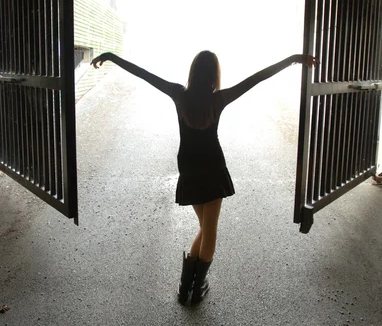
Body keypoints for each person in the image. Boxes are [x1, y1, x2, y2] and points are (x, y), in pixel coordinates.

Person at [91, 50, 317, 305]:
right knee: (209, 231)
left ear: (193, 72)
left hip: (188, 166)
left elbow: (144, 74)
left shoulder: (179, 94)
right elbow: (257, 78)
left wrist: (112, 57)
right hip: (212, 165)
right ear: (213, 75)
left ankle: (184, 286)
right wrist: (292, 60)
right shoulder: (218, 99)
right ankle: (195, 289)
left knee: (205, 227)